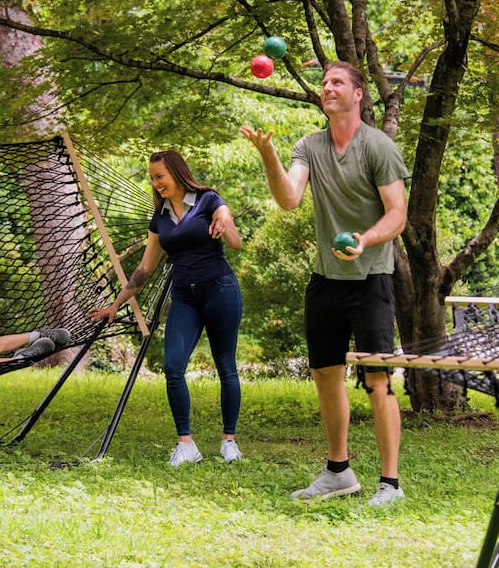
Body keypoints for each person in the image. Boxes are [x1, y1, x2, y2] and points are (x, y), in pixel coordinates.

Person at [240, 61, 409, 506]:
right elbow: (289, 198)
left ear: (358, 95)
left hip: (371, 277)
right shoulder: (309, 146)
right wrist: (268, 156)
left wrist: (365, 239)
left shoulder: (379, 146)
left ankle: (390, 484)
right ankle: (339, 472)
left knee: (378, 380)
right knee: (326, 376)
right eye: (324, 82)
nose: (327, 87)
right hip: (325, 279)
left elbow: (397, 214)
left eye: (337, 82)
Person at [88, 150, 244, 466]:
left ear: (176, 172)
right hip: (185, 296)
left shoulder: (207, 199)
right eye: (153, 178)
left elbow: (235, 241)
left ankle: (229, 441)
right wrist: (115, 305)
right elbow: (145, 269)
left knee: (225, 365)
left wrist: (225, 219)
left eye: (160, 176)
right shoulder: (159, 219)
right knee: (173, 366)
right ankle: (186, 445)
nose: (156, 183)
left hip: (220, 289)